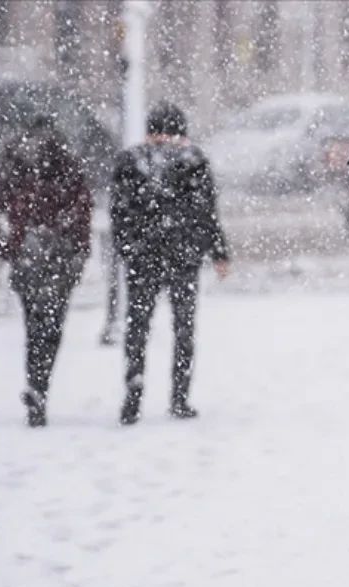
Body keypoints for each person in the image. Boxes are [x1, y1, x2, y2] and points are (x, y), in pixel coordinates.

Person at [112, 102, 231, 425]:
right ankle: (179, 396)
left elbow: (119, 212)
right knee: (183, 328)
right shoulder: (192, 160)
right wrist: (218, 252)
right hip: (183, 257)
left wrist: (127, 249)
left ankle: (133, 391)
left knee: (138, 326)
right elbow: (206, 212)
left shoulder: (130, 161)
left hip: (143, 257)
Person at [0, 114, 91, 428]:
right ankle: (41, 385)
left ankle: (36, 386)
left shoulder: (13, 164)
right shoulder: (67, 164)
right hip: (60, 255)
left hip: (27, 254)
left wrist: (6, 245)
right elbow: (82, 212)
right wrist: (79, 250)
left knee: (34, 325)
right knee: (52, 327)